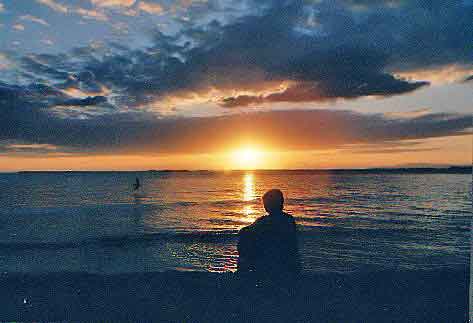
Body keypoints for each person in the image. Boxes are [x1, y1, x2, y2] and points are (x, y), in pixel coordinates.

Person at [237, 189, 301, 281]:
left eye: (266, 203)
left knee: (246, 240)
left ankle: (244, 276)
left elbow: (243, 232)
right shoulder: (289, 219)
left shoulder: (265, 221)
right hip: (289, 262)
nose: (265, 206)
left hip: (274, 262)